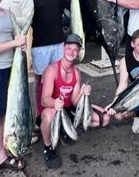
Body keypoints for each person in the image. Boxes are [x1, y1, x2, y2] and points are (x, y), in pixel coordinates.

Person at [37, 33, 110, 169]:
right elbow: (44, 100)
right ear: (64, 48)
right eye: (69, 48)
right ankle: (48, 148)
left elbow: (75, 102)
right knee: (49, 115)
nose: (72, 52)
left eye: (75, 50)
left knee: (104, 119)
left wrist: (83, 93)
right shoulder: (51, 70)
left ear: (78, 54)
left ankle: (65, 130)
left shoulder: (77, 73)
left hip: (68, 109)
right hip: (51, 109)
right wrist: (55, 103)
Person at [30, 0, 79, 121]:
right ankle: (39, 111)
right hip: (40, 46)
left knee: (60, 77)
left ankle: (61, 109)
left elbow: (74, 6)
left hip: (59, 44)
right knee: (40, 79)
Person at [0, 0, 27, 171]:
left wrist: (20, 42)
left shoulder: (7, 14)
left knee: (4, 114)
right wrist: (15, 43)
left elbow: (15, 36)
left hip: (11, 70)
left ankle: (1, 152)